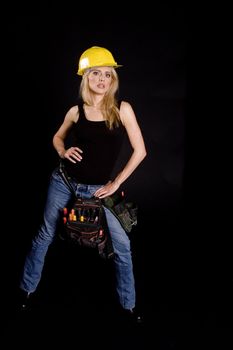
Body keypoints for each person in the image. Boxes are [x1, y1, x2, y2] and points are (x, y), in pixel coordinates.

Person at [18, 46, 147, 323]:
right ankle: (26, 290)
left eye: (107, 75)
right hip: (64, 182)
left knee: (122, 246)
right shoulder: (76, 111)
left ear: (113, 79)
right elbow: (57, 138)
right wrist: (63, 152)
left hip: (99, 190)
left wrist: (115, 183)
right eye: (95, 74)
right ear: (86, 78)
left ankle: (129, 305)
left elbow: (140, 151)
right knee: (45, 234)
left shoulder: (122, 109)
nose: (102, 80)